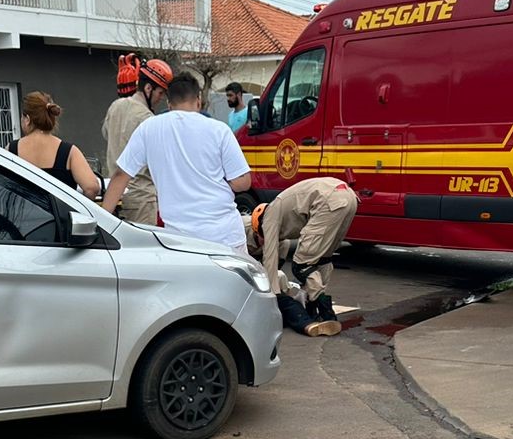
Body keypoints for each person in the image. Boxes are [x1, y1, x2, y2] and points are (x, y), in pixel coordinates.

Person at [102, 72, 252, 251]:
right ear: (198, 100)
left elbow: (120, 176)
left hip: (179, 242)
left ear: (168, 103)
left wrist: (100, 224)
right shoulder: (219, 130)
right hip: (225, 237)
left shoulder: (149, 128)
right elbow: (243, 182)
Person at [245, 177, 359, 338]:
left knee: (302, 264)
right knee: (322, 259)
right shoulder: (283, 209)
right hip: (349, 197)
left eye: (261, 237)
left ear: (260, 227)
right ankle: (315, 310)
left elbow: (270, 256)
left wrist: (273, 294)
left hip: (327, 201)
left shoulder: (269, 216)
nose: (262, 241)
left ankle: (327, 314)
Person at [101, 55, 172, 224]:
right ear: (148, 88)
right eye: (160, 92)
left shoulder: (115, 106)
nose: (160, 98)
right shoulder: (147, 118)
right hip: (141, 199)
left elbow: (106, 134)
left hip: (114, 194)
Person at [9, 91, 99, 198]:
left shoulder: (11, 149)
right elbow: (91, 188)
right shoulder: (69, 151)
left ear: (27, 119)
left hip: (23, 213)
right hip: (60, 214)